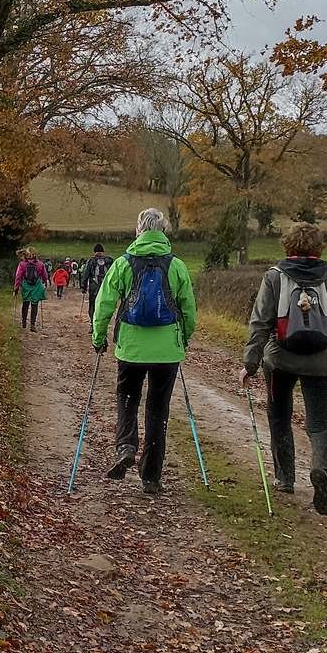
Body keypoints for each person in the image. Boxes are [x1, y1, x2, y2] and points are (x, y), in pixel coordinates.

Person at [239, 222, 327, 515]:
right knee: (320, 424)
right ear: (318, 247)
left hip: (280, 360)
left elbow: (260, 321)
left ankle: (284, 477)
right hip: (324, 362)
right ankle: (323, 471)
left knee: (279, 416)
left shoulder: (274, 276)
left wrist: (250, 363)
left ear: (287, 246)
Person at [91, 209, 197, 494]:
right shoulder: (176, 266)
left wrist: (98, 337)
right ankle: (151, 476)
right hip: (166, 353)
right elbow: (188, 309)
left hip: (131, 349)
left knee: (127, 399)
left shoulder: (124, 264)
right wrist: (183, 339)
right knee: (157, 409)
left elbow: (104, 304)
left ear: (139, 229)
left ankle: (126, 446)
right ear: (163, 231)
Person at [15, 247, 50, 332]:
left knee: (25, 303)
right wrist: (45, 283)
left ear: (26, 255)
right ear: (35, 254)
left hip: (26, 286)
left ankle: (23, 322)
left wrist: (16, 288)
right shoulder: (40, 264)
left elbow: (18, 277)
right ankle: (32, 325)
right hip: (36, 286)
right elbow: (44, 275)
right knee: (34, 305)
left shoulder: (22, 264)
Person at [81, 242, 113, 324]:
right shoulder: (109, 261)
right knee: (104, 306)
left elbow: (85, 274)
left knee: (93, 306)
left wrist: (83, 287)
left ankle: (93, 324)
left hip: (94, 287)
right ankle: (103, 324)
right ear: (103, 251)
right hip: (107, 288)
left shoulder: (91, 261)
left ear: (94, 252)